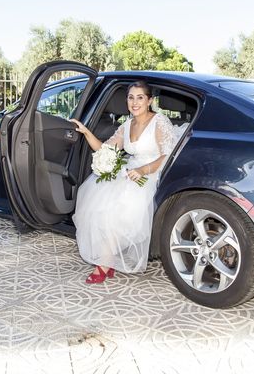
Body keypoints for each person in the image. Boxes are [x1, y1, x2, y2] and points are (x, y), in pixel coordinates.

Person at [70, 81, 176, 283]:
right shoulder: (127, 125)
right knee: (101, 208)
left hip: (151, 173)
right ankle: (107, 261)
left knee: (120, 214)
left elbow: (167, 156)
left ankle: (103, 265)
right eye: (130, 97)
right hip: (129, 172)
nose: (134, 102)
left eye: (140, 97)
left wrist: (144, 170)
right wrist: (86, 132)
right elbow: (105, 149)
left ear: (149, 100)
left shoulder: (159, 122)